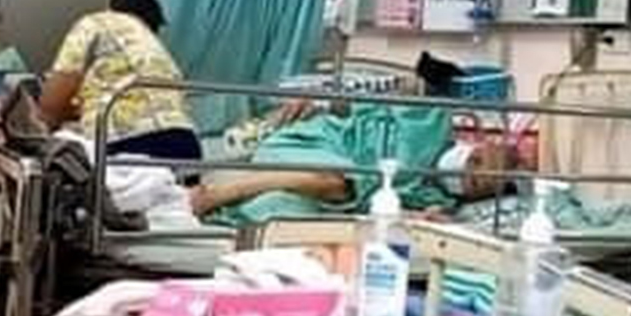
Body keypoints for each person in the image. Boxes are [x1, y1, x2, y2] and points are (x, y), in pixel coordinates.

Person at [188, 99, 518, 225]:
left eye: (475, 183)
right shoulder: (429, 120)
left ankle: (226, 209)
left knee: (285, 214)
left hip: (334, 195)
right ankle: (218, 194)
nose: (467, 173)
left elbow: (385, 214)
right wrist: (319, 103)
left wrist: (419, 219)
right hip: (321, 143)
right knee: (337, 179)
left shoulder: (436, 199)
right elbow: (355, 104)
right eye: (476, 161)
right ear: (478, 144)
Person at [37, 0, 201, 161]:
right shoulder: (160, 53)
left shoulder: (96, 23)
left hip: (128, 143)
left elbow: (51, 105)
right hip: (188, 146)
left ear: (111, 8)